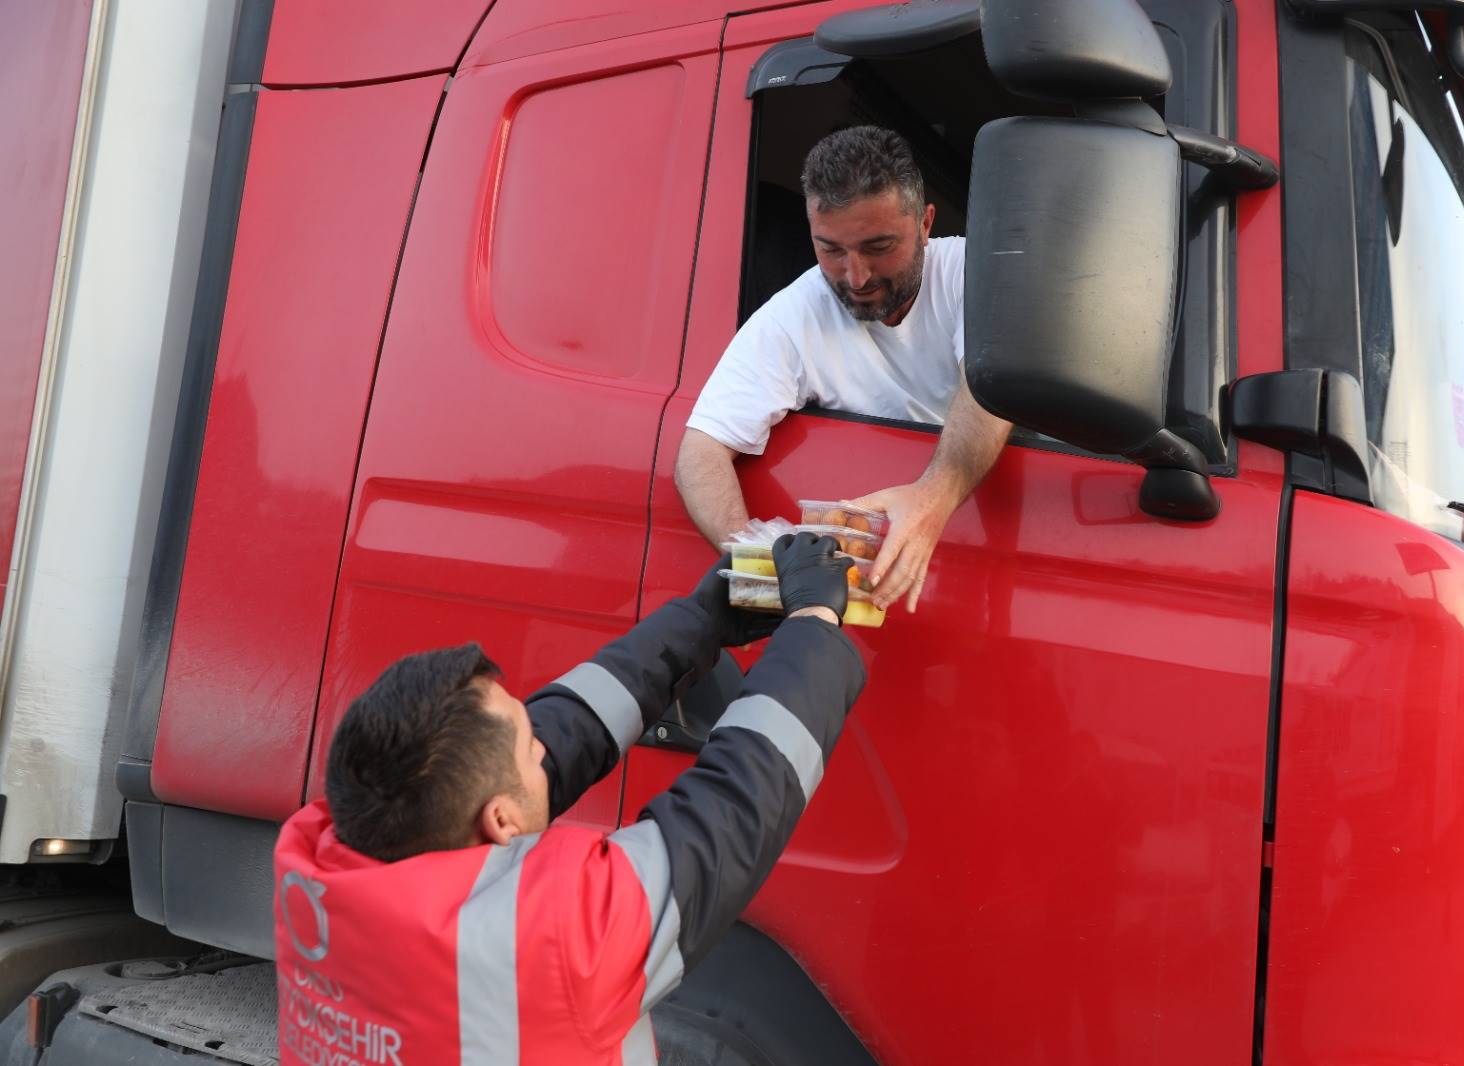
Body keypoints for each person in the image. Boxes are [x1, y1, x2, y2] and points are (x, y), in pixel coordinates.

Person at [273, 533, 865, 1066]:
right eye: (530, 747)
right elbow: (736, 803)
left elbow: (553, 740)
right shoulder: (563, 940)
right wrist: (813, 623)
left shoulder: (322, 863)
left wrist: (699, 622)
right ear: (499, 821)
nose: (543, 746)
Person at [675, 125, 1013, 614]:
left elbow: (989, 388)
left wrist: (931, 501)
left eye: (878, 247)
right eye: (831, 249)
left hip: (994, 552)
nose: (856, 277)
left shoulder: (975, 272)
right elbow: (700, 453)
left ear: (925, 225)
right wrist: (759, 565)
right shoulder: (794, 314)